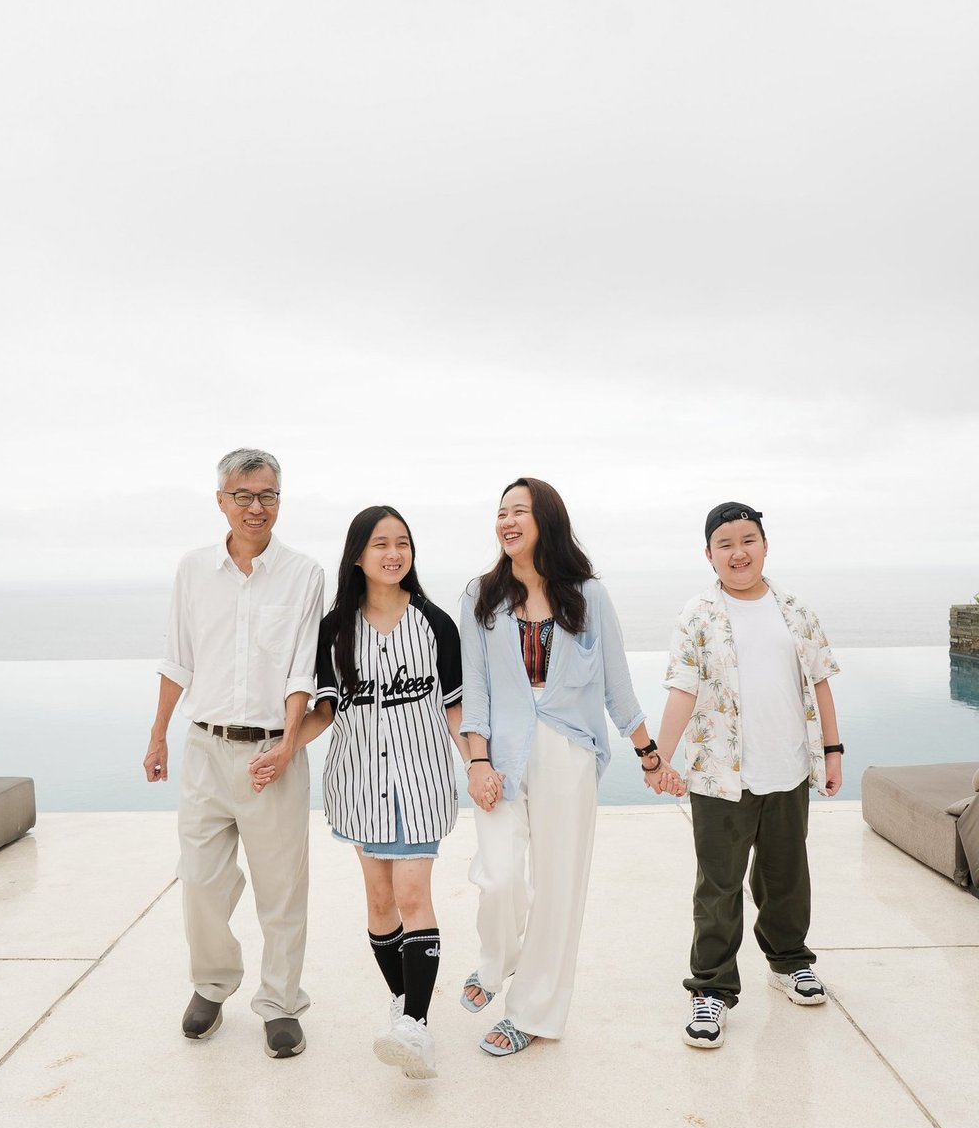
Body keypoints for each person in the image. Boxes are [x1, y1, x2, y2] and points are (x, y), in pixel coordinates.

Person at [459, 477, 681, 1058]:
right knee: (500, 875)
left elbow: (616, 684)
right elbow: (474, 689)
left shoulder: (589, 596)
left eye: (520, 512)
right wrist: (477, 760)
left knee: (559, 887)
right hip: (502, 754)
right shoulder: (480, 596)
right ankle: (496, 961)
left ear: (547, 520)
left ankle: (530, 1012)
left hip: (570, 751)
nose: (507, 522)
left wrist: (648, 753)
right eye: (501, 512)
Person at [143, 448, 324, 1060]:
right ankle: (213, 984)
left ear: (280, 500)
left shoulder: (304, 573)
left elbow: (303, 668)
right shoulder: (193, 570)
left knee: (281, 888)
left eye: (268, 495)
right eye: (243, 495)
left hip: (272, 754)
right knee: (199, 882)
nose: (256, 507)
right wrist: (158, 733)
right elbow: (178, 657)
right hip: (203, 748)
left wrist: (285, 746)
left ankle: (279, 1002)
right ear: (221, 500)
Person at [653, 501, 843, 1050]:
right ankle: (711, 989)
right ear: (708, 554)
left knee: (786, 875)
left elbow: (822, 681)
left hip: (788, 766)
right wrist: (660, 759)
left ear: (764, 544)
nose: (738, 553)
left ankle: (789, 963)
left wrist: (832, 750)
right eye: (725, 544)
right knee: (718, 884)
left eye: (748, 540)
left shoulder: (795, 610)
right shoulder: (697, 614)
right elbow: (682, 689)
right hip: (719, 777)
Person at [292, 506, 468, 1080]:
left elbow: (455, 706)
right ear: (358, 556)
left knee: (415, 896)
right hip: (359, 782)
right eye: (380, 544)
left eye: (403, 543)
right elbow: (326, 708)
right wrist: (286, 746)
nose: (394, 553)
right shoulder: (334, 629)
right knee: (379, 903)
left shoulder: (437, 624)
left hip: (421, 781)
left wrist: (479, 765)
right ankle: (405, 1008)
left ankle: (415, 1024)